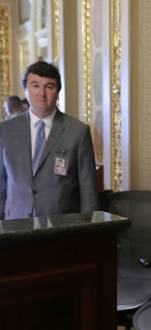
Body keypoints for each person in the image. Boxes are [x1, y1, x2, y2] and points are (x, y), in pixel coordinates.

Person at [0, 61, 99, 220]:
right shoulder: (6, 130)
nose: (42, 93)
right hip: (14, 227)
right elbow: (1, 185)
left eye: (49, 86)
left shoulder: (78, 132)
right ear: (26, 90)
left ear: (58, 91)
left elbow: (89, 193)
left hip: (61, 229)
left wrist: (89, 234)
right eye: (35, 85)